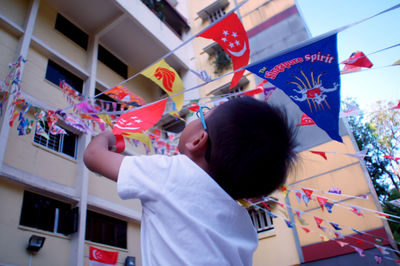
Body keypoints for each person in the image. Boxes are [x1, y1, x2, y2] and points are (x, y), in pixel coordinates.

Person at [84, 96, 297, 266]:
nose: (195, 117)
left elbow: (93, 157)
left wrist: (106, 136)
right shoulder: (244, 225)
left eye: (202, 115)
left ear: (198, 140)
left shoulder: (172, 174)